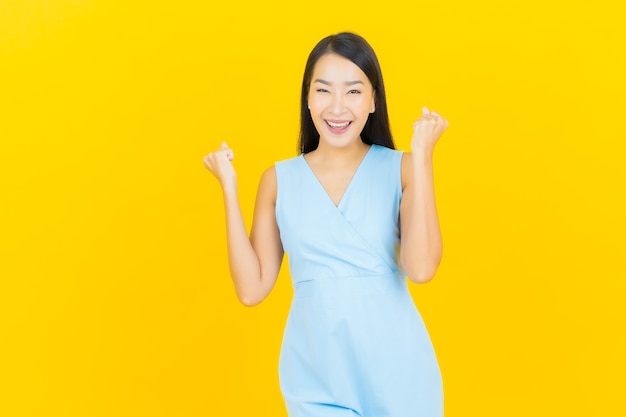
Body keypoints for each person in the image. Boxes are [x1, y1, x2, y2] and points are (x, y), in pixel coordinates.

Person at [204, 32, 448, 417]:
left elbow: (421, 268)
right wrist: (229, 189)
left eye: (353, 91)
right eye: (323, 90)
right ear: (307, 97)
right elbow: (252, 290)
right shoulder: (278, 180)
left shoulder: (400, 169)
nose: (337, 107)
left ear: (373, 100)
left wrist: (422, 158)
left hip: (400, 376)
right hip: (315, 378)